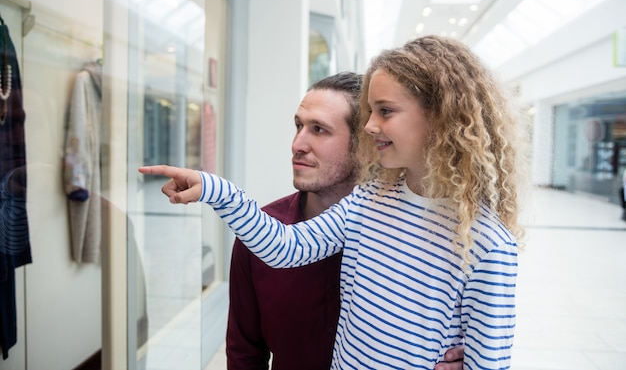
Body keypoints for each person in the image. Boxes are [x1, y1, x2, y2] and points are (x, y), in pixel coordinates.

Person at [140, 35, 526, 369]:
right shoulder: (371, 200)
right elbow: (285, 247)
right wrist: (215, 189)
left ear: (440, 118)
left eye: (385, 111)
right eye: (370, 112)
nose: (370, 126)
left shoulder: (489, 246)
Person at [227, 71, 464, 369]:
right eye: (299, 126)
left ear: (366, 144)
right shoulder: (260, 235)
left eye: (319, 130)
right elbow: (244, 352)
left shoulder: (416, 237)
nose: (297, 144)